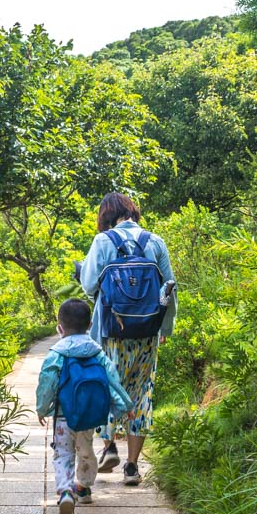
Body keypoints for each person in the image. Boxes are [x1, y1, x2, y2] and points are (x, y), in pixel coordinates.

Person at [79, 192, 177, 486]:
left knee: (108, 386)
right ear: (132, 212)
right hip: (147, 332)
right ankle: (132, 467)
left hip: (111, 332)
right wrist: (165, 329)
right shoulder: (155, 241)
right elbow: (170, 288)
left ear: (107, 216)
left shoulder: (103, 241)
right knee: (141, 394)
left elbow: (88, 285)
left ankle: (108, 446)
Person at [36, 298, 134, 514]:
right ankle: (83, 487)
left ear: (59, 328)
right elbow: (112, 382)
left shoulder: (56, 354)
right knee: (86, 452)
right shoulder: (97, 353)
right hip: (89, 416)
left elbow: (47, 382)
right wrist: (125, 405)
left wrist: (42, 408)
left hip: (63, 417)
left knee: (62, 454)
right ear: (90, 325)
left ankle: (65, 491)